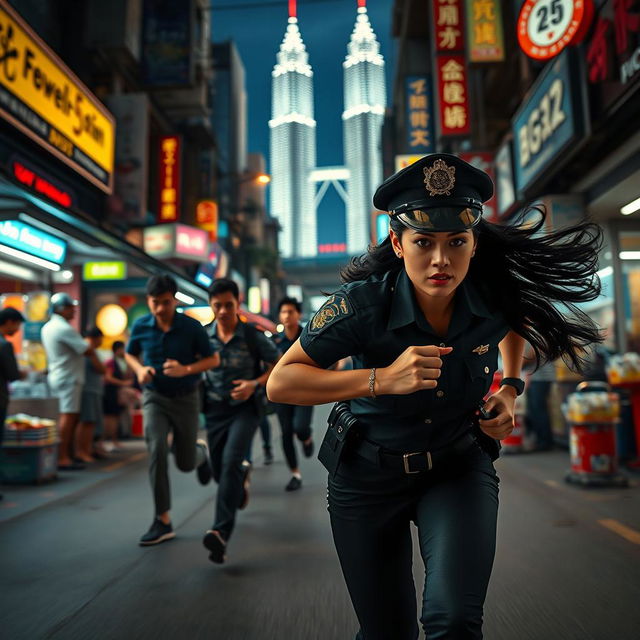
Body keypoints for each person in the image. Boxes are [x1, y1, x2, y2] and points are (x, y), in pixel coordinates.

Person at [267, 153, 603, 640]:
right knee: (388, 632)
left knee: (453, 622)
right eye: (423, 242)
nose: (441, 260)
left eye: (456, 242)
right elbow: (282, 381)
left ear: (473, 243)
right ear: (397, 243)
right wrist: (380, 379)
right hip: (365, 477)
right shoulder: (360, 304)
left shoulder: (492, 292)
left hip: (455, 467)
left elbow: (511, 327)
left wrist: (509, 389)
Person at [125, 275, 220, 547]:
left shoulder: (191, 327)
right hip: (154, 397)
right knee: (156, 449)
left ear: (174, 300)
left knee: (185, 462)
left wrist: (185, 369)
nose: (160, 309)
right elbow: (130, 354)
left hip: (186, 398)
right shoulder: (141, 326)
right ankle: (162, 520)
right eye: (155, 303)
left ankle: (201, 455)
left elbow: (213, 359)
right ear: (148, 301)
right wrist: (140, 369)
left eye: (165, 303)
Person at [198, 278, 279, 564]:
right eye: (217, 305)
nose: (222, 311)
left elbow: (278, 365)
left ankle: (220, 533)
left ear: (238, 303)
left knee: (231, 461)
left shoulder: (252, 335)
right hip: (214, 411)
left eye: (228, 305)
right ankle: (240, 477)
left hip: (245, 409)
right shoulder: (203, 337)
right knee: (222, 473)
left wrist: (253, 384)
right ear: (211, 305)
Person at [41, 293, 102, 470]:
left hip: (59, 376)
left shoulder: (48, 327)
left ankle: (66, 454)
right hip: (68, 378)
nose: (74, 311)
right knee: (68, 418)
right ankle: (62, 457)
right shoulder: (63, 328)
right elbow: (86, 350)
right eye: (70, 308)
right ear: (61, 309)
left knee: (67, 416)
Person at [272, 296, 315, 491]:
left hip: (305, 390)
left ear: (298, 314)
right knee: (286, 432)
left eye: (291, 311)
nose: (287, 315)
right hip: (282, 394)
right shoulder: (275, 342)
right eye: (283, 312)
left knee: (300, 427)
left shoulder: (308, 337)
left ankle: (306, 438)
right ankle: (295, 474)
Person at [0, 307, 26, 499]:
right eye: (16, 325)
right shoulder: (4, 345)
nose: (16, 330)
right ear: (9, 322)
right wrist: (23, 373)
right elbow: (13, 374)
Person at [75, 327, 106, 463]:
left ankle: (87, 450)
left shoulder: (86, 349)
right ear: (96, 338)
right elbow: (101, 369)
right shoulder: (88, 349)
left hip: (90, 389)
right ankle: (82, 452)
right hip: (88, 390)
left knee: (89, 421)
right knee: (87, 421)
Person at [103, 340, 136, 453]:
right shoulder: (110, 362)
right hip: (110, 392)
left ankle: (114, 440)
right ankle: (105, 441)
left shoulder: (121, 362)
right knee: (110, 417)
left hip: (117, 393)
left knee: (116, 417)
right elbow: (108, 377)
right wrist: (123, 384)